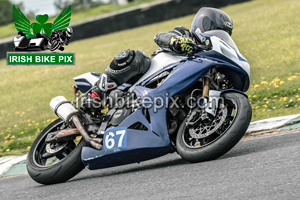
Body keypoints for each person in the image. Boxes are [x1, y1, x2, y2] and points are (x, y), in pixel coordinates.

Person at [82, 7, 234, 109]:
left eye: (222, 32)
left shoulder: (211, 59)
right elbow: (160, 37)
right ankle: (95, 93)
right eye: (215, 28)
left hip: (169, 98)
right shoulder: (185, 34)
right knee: (136, 57)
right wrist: (176, 41)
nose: (216, 33)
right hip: (148, 78)